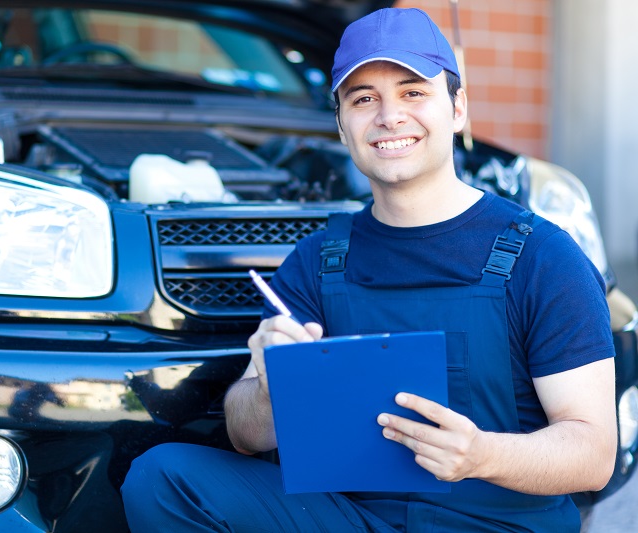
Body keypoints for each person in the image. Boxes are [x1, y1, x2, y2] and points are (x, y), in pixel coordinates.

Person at [121, 7, 616, 532]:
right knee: (163, 479)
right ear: (341, 125)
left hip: (494, 524)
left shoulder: (543, 256)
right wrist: (269, 386)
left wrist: (482, 456)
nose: (389, 116)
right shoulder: (317, 260)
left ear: (457, 108)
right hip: (349, 519)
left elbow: (592, 452)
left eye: (413, 92)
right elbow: (247, 435)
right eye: (364, 100)